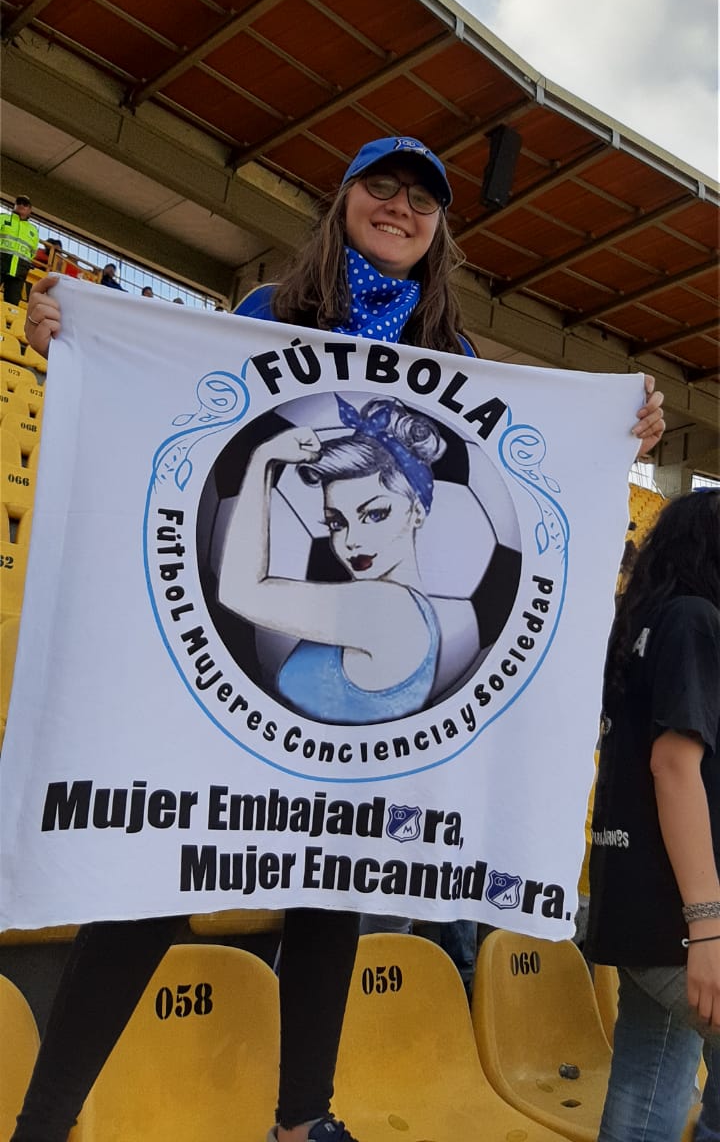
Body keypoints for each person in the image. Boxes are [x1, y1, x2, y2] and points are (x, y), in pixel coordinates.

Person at [19, 134, 666, 1142]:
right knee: (154, 882)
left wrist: (621, 430)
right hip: (239, 652)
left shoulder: (451, 358)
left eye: (424, 199)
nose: (402, 207)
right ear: (344, 200)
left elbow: (534, 465)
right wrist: (79, 334)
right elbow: (168, 411)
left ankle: (301, 1117)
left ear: (441, 227)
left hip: (352, 667)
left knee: (336, 883)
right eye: (383, 186)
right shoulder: (265, 316)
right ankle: (44, 1122)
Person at [586, 490, 720, 1142]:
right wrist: (709, 930)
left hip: (638, 905)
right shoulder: (695, 620)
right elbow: (674, 766)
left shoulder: (642, 627)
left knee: (649, 1080)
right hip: (680, 919)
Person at [219, 396, 444, 724]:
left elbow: (239, 591)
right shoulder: (406, 608)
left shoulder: (389, 607)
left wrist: (262, 460)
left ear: (417, 512)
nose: (352, 541)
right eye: (337, 522)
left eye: (375, 514)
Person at [0, 195, 39, 305]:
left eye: (25, 204)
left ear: (30, 210)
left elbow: (33, 252)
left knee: (12, 304)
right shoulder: (3, 218)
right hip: (1, 262)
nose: (21, 205)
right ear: (15, 205)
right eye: (19, 203)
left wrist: (25, 264)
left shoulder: (33, 230)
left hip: (19, 271)